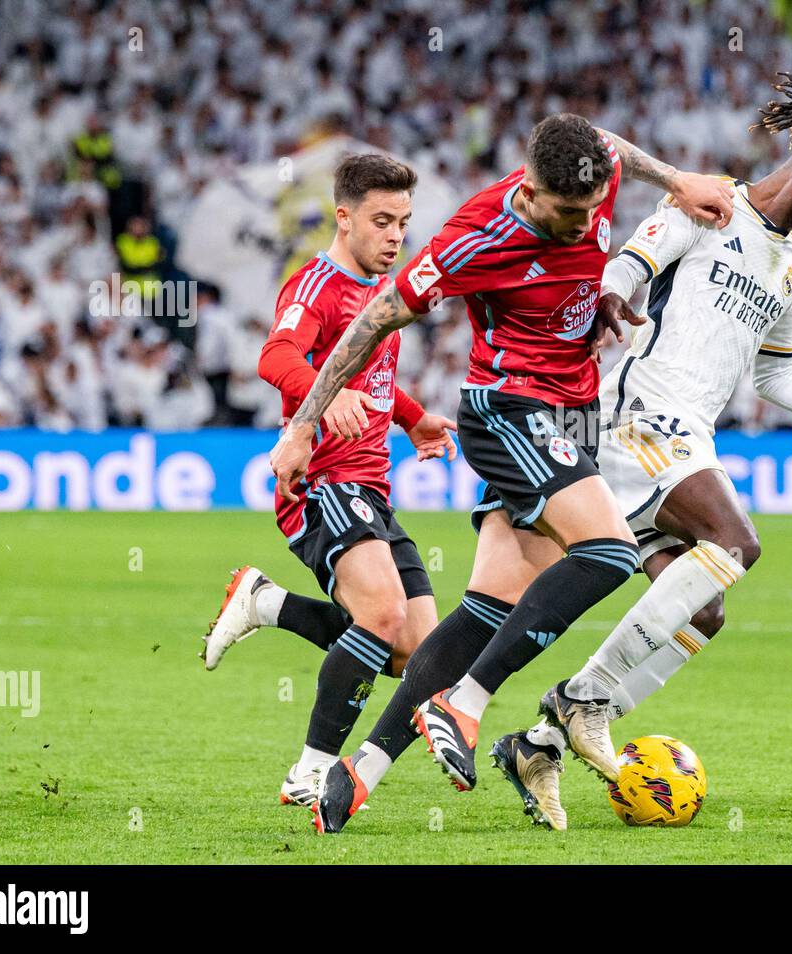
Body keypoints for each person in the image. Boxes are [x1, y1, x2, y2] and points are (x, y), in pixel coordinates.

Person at [265, 113, 735, 833]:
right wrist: (302, 425)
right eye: (567, 213)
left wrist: (677, 181)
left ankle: (360, 773)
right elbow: (374, 322)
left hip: (576, 411)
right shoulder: (473, 239)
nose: (583, 226)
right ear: (531, 190)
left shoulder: (594, 176)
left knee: (489, 605)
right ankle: (466, 702)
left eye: (592, 209)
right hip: (507, 407)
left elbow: (611, 144)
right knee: (607, 553)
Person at [495, 30, 792, 829]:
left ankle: (542, 743)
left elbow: (772, 374)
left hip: (688, 437)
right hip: (637, 414)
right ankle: (579, 699)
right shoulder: (711, 202)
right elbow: (632, 259)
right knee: (738, 541)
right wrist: (616, 294)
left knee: (704, 613)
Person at [201, 154, 457, 806]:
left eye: (403, 221)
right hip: (320, 483)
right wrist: (321, 395)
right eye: (381, 221)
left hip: (370, 485)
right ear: (343, 219)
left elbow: (369, 380)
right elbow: (277, 355)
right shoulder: (313, 285)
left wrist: (414, 416)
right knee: (381, 615)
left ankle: (266, 603)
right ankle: (311, 771)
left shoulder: (382, 291)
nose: (396, 235)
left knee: (414, 657)